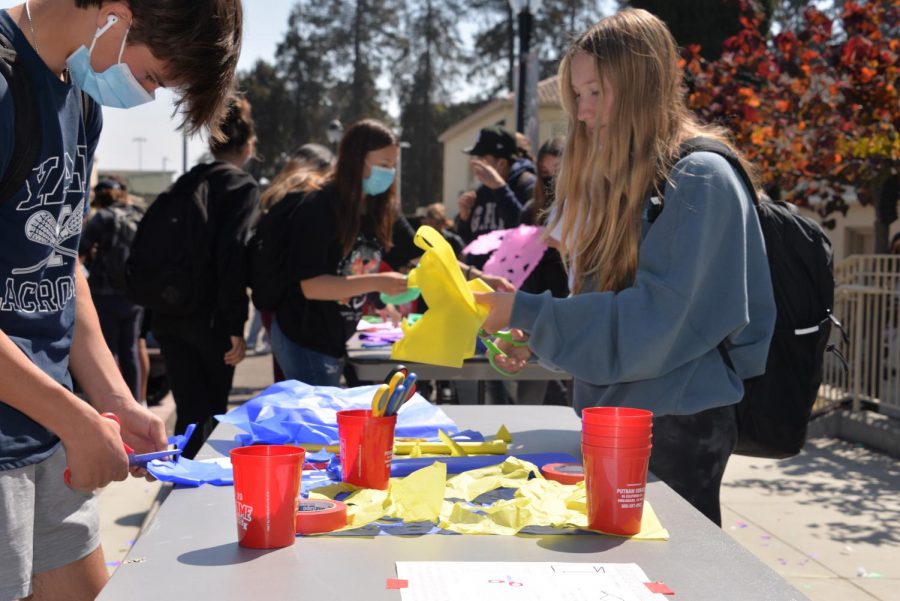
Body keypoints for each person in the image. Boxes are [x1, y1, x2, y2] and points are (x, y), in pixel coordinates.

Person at [476, 9, 776, 525]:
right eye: (578, 96)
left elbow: (656, 323)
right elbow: (612, 312)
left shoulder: (700, 178)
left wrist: (533, 312)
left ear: (642, 85)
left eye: (597, 92)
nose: (585, 112)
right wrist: (537, 337)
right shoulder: (630, 177)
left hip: (676, 430)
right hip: (624, 422)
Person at [0, 0, 242, 598]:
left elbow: (63, 267)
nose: (147, 97)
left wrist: (113, 399)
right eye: (153, 77)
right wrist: (73, 417)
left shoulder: (79, 103)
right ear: (114, 17)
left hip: (48, 436)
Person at [152, 94, 259, 459]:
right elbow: (232, 256)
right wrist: (235, 324)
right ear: (246, 146)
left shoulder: (186, 182)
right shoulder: (240, 186)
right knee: (211, 415)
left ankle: (180, 491)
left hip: (169, 315)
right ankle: (199, 498)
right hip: (211, 320)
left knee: (188, 414)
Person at [256, 142, 335, 382]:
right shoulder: (306, 204)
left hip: (275, 308)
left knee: (287, 385)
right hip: (300, 317)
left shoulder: (276, 201)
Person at [78, 176, 145, 400]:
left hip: (104, 292)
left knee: (108, 352)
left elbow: (79, 250)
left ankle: (114, 405)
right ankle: (136, 401)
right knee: (131, 350)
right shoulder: (137, 213)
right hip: (135, 294)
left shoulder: (103, 218)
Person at [455, 125, 537, 251]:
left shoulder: (528, 185)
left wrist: (500, 188)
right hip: (480, 271)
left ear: (502, 163)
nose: (475, 163)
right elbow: (470, 242)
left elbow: (527, 232)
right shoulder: (482, 191)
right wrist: (464, 218)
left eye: (482, 158)